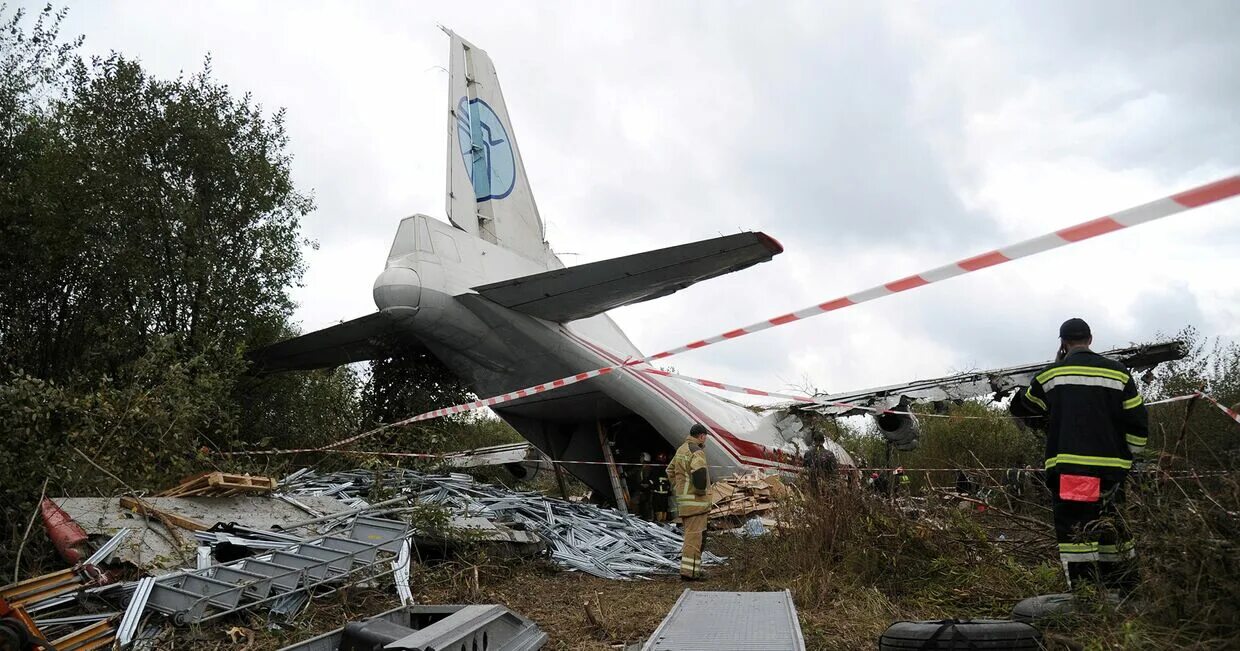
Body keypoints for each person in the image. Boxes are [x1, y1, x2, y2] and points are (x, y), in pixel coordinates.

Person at [1012, 318, 1148, 598]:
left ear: (1063, 342)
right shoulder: (1119, 374)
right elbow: (1137, 421)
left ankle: (1087, 597)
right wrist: (1129, 460)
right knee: (1113, 527)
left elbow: (1025, 406)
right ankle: (1124, 594)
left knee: (1079, 533)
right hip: (1113, 474)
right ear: (1091, 338)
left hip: (1075, 472)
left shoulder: (1051, 375)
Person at [666, 423, 712, 580]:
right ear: (701, 436)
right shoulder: (696, 451)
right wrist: (700, 492)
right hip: (696, 503)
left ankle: (691, 571)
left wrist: (680, 488)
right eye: (705, 436)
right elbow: (699, 475)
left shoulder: (681, 449)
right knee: (694, 539)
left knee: (691, 537)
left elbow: (670, 470)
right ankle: (689, 574)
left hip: (685, 502)